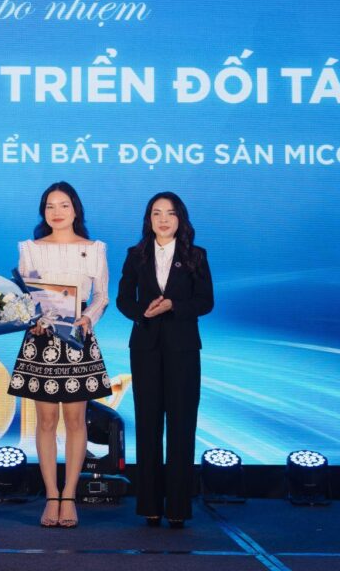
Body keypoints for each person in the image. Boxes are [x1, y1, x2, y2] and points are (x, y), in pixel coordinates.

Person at [8, 181, 112, 529]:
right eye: (50, 206)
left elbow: (102, 296)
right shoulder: (30, 249)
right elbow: (25, 296)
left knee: (76, 420)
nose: (57, 212)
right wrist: (33, 319)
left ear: (75, 209)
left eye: (64, 205)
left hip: (78, 337)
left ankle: (69, 497)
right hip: (42, 338)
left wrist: (87, 318)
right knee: (46, 421)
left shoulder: (94, 249)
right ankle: (51, 495)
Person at [115, 191, 213, 529]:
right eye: (156, 213)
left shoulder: (196, 255)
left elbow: (205, 301)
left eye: (170, 213)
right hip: (145, 347)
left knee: (182, 425)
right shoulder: (136, 254)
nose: (163, 219)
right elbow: (123, 299)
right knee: (148, 424)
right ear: (149, 219)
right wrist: (142, 312)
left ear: (180, 218)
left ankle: (178, 508)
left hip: (183, 348)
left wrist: (174, 306)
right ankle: (150, 505)